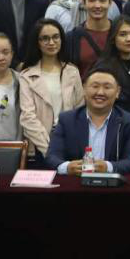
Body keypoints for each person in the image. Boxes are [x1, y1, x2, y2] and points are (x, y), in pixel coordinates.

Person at [44, 65, 130, 175]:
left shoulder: (128, 121)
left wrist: (108, 167)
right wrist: (67, 167)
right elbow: (52, 157)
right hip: (76, 182)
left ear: (117, 92)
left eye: (107, 87)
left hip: (112, 184)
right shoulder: (67, 120)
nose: (100, 92)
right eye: (95, 86)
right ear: (84, 89)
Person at [18, 19, 84, 162]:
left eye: (56, 37)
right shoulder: (27, 75)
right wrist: (49, 149)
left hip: (69, 143)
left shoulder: (72, 71)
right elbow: (28, 117)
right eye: (45, 38)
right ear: (37, 42)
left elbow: (80, 110)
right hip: (39, 146)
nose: (51, 42)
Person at [98, 16, 130, 124]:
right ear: (113, 38)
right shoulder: (104, 67)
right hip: (115, 124)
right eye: (123, 34)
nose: (129, 39)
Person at [67, 0, 115, 77]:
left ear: (110, 2)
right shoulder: (71, 38)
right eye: (92, 0)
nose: (97, 6)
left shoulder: (119, 33)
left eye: (102, 0)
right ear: (84, 2)